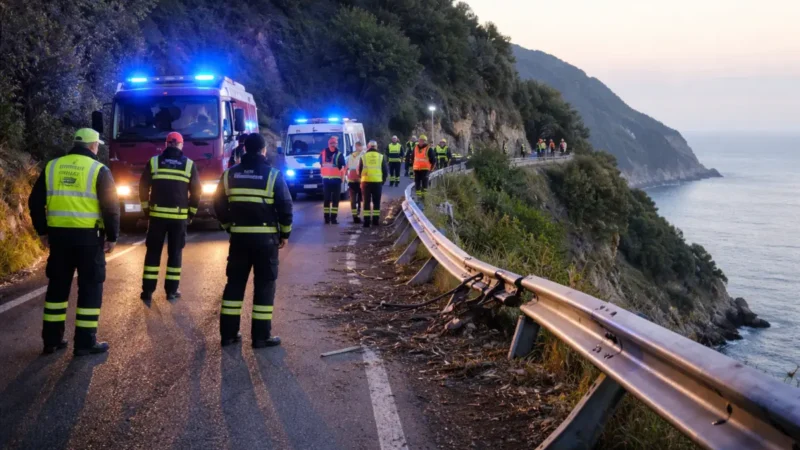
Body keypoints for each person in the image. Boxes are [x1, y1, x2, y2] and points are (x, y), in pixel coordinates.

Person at [28, 128, 120, 356]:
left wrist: (42, 231)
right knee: (90, 288)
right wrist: (113, 236)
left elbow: (35, 202)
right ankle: (85, 343)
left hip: (59, 239)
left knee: (57, 289)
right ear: (93, 146)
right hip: (89, 240)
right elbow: (111, 208)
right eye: (97, 145)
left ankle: (51, 341)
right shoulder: (99, 169)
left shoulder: (52, 166)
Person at [213, 133, 293, 348]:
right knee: (265, 286)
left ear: (244, 149)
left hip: (239, 239)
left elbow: (218, 204)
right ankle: (260, 337)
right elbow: (285, 206)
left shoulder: (229, 174)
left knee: (234, 285)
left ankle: (228, 335)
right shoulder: (273, 175)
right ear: (263, 150)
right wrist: (284, 234)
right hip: (265, 241)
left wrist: (229, 226)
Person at [138, 132, 201, 303]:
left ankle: (147, 291)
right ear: (181, 145)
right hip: (178, 218)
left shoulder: (154, 162)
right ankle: (171, 291)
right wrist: (191, 213)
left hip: (157, 217)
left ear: (166, 144)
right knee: (175, 253)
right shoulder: (189, 165)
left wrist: (146, 210)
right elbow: (196, 192)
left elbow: (143, 187)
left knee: (153, 253)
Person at [359, 140, 389, 228]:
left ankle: (366, 222)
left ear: (368, 147)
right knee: (376, 202)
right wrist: (382, 181)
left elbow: (360, 170)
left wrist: (362, 179)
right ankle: (375, 221)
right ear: (376, 147)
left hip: (366, 183)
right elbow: (385, 171)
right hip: (377, 182)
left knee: (366, 202)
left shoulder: (363, 157)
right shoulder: (381, 156)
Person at [320, 136, 345, 224]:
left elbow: (321, 164)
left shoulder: (323, 153)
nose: (333, 145)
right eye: (333, 143)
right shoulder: (339, 154)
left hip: (328, 180)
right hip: (334, 180)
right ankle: (332, 219)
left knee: (328, 200)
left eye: (333, 143)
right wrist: (343, 178)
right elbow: (342, 167)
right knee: (334, 200)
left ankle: (328, 219)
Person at [412, 135, 436, 199]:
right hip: (417, 169)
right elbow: (412, 158)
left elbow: (433, 160)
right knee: (417, 183)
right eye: (420, 140)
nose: (421, 142)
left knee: (424, 184)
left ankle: (424, 198)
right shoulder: (415, 148)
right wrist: (412, 168)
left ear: (425, 141)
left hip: (425, 170)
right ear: (418, 141)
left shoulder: (429, 149)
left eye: (423, 141)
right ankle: (418, 197)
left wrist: (431, 170)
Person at [346, 141, 365, 223]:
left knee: (355, 200)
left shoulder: (351, 156)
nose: (358, 148)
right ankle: (356, 215)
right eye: (358, 146)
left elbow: (347, 168)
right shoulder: (363, 155)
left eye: (359, 146)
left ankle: (356, 215)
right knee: (357, 199)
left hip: (354, 180)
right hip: (358, 181)